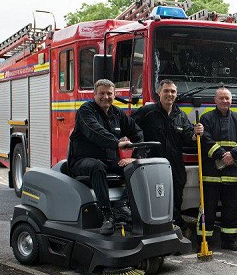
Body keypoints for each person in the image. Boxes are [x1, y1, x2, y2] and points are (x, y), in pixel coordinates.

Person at [67, 79, 143, 235]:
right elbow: (94, 131)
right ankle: (107, 216)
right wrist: (116, 142)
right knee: (97, 166)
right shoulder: (85, 110)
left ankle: (122, 206)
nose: (105, 97)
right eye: (101, 93)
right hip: (82, 161)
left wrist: (135, 157)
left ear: (115, 95)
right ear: (94, 94)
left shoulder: (117, 113)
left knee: (137, 168)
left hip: (109, 161)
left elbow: (138, 132)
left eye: (109, 93)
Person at [131, 79, 204, 236]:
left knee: (176, 197)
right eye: (166, 91)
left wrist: (195, 134)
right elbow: (129, 125)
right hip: (152, 164)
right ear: (159, 93)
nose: (169, 94)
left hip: (174, 164)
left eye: (172, 92)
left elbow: (187, 136)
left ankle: (173, 228)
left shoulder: (180, 115)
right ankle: (177, 229)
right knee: (158, 198)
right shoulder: (147, 112)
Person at [198, 87, 237, 251]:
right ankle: (204, 240)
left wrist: (233, 155)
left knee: (231, 210)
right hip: (211, 175)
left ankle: (229, 241)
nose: (225, 101)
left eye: (227, 98)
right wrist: (221, 154)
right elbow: (205, 139)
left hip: (233, 175)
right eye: (221, 98)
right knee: (208, 209)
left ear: (231, 100)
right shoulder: (206, 119)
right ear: (215, 100)